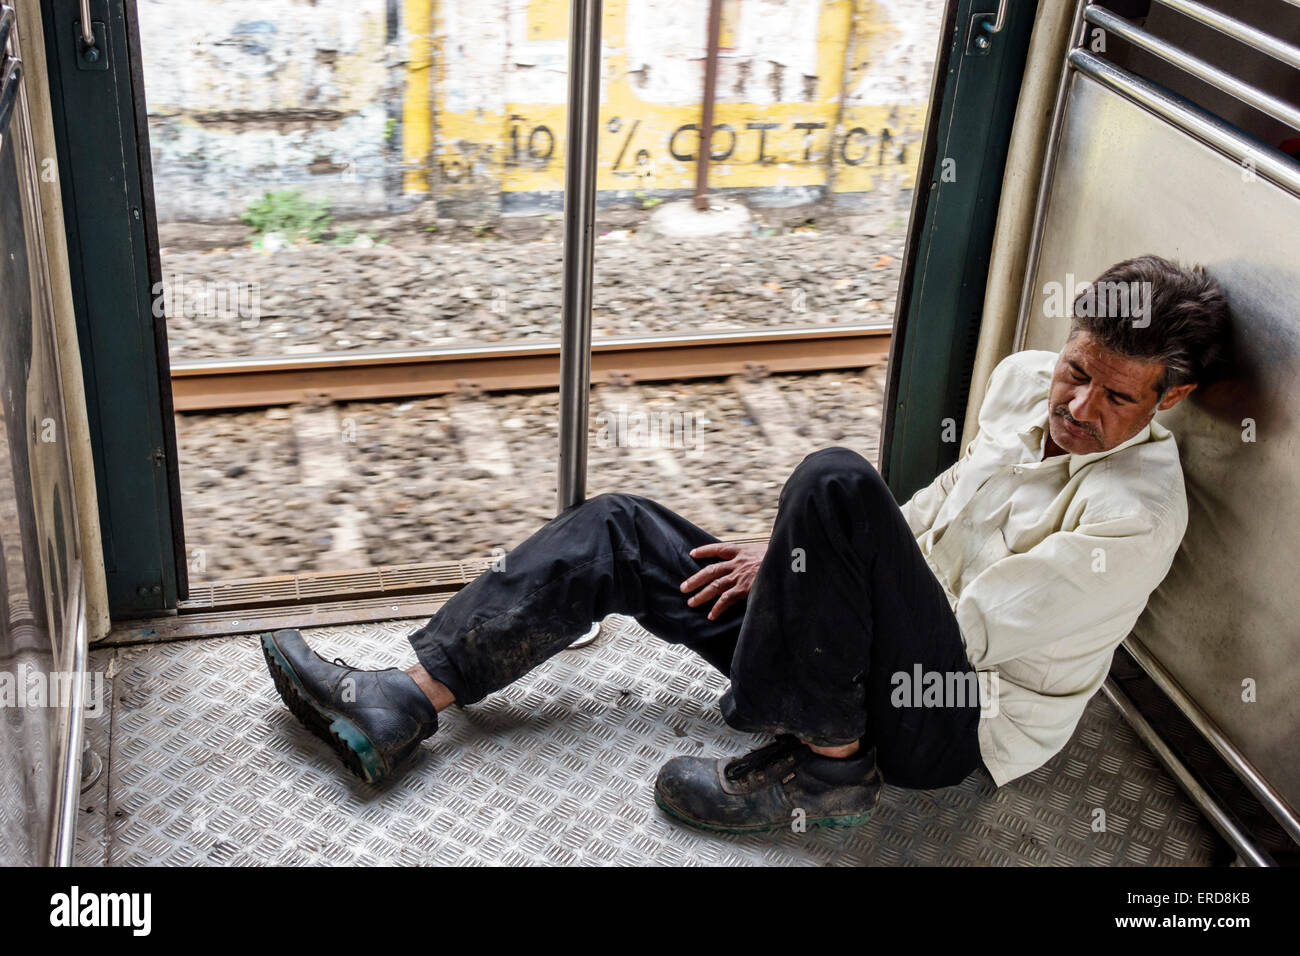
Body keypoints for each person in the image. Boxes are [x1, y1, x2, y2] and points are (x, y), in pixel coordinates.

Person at [260, 254, 1230, 834]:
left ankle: (829, 766)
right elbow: (932, 516)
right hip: (862, 648)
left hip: (949, 720)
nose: (1072, 406)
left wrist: (827, 571)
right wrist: (800, 563)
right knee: (622, 527)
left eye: (1113, 396)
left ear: (1168, 400)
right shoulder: (1022, 382)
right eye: (1074, 372)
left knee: (835, 482)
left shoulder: (1136, 513)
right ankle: (403, 697)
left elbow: (966, 634)